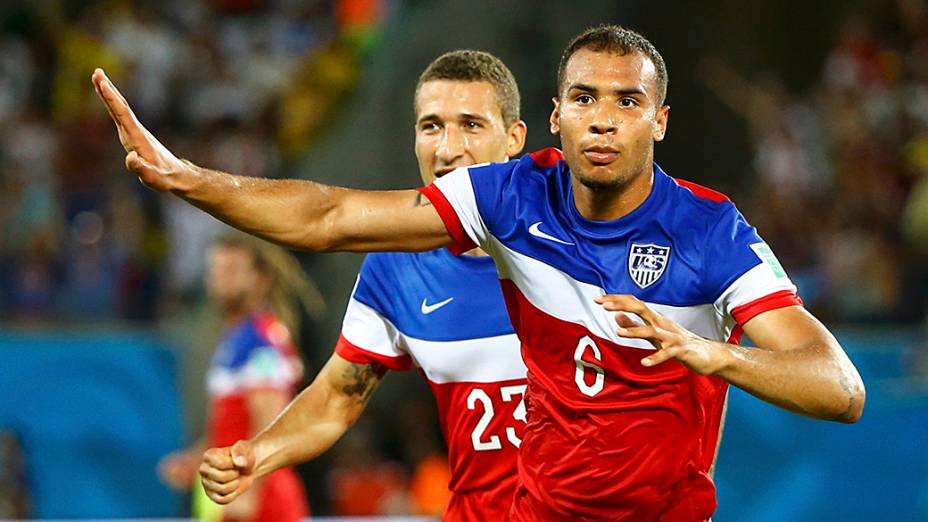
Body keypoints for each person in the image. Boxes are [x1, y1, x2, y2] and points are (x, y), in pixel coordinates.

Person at [93, 24, 865, 522]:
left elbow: (841, 389)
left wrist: (716, 354)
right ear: (558, 114)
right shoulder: (489, 212)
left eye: (628, 102)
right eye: (586, 99)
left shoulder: (708, 232)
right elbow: (330, 222)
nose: (603, 118)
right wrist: (191, 179)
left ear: (658, 119)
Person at [205, 50, 528, 520]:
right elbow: (337, 397)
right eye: (431, 126)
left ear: (513, 138)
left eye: (472, 126)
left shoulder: (572, 237)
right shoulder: (397, 267)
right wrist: (257, 455)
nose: (447, 148)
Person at [157, 233, 323, 522]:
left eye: (231, 270)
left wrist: (250, 494)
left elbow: (269, 418)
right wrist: (195, 459)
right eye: (215, 270)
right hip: (235, 495)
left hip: (264, 503)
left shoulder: (260, 339)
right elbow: (229, 425)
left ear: (259, 279)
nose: (219, 279)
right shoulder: (236, 338)